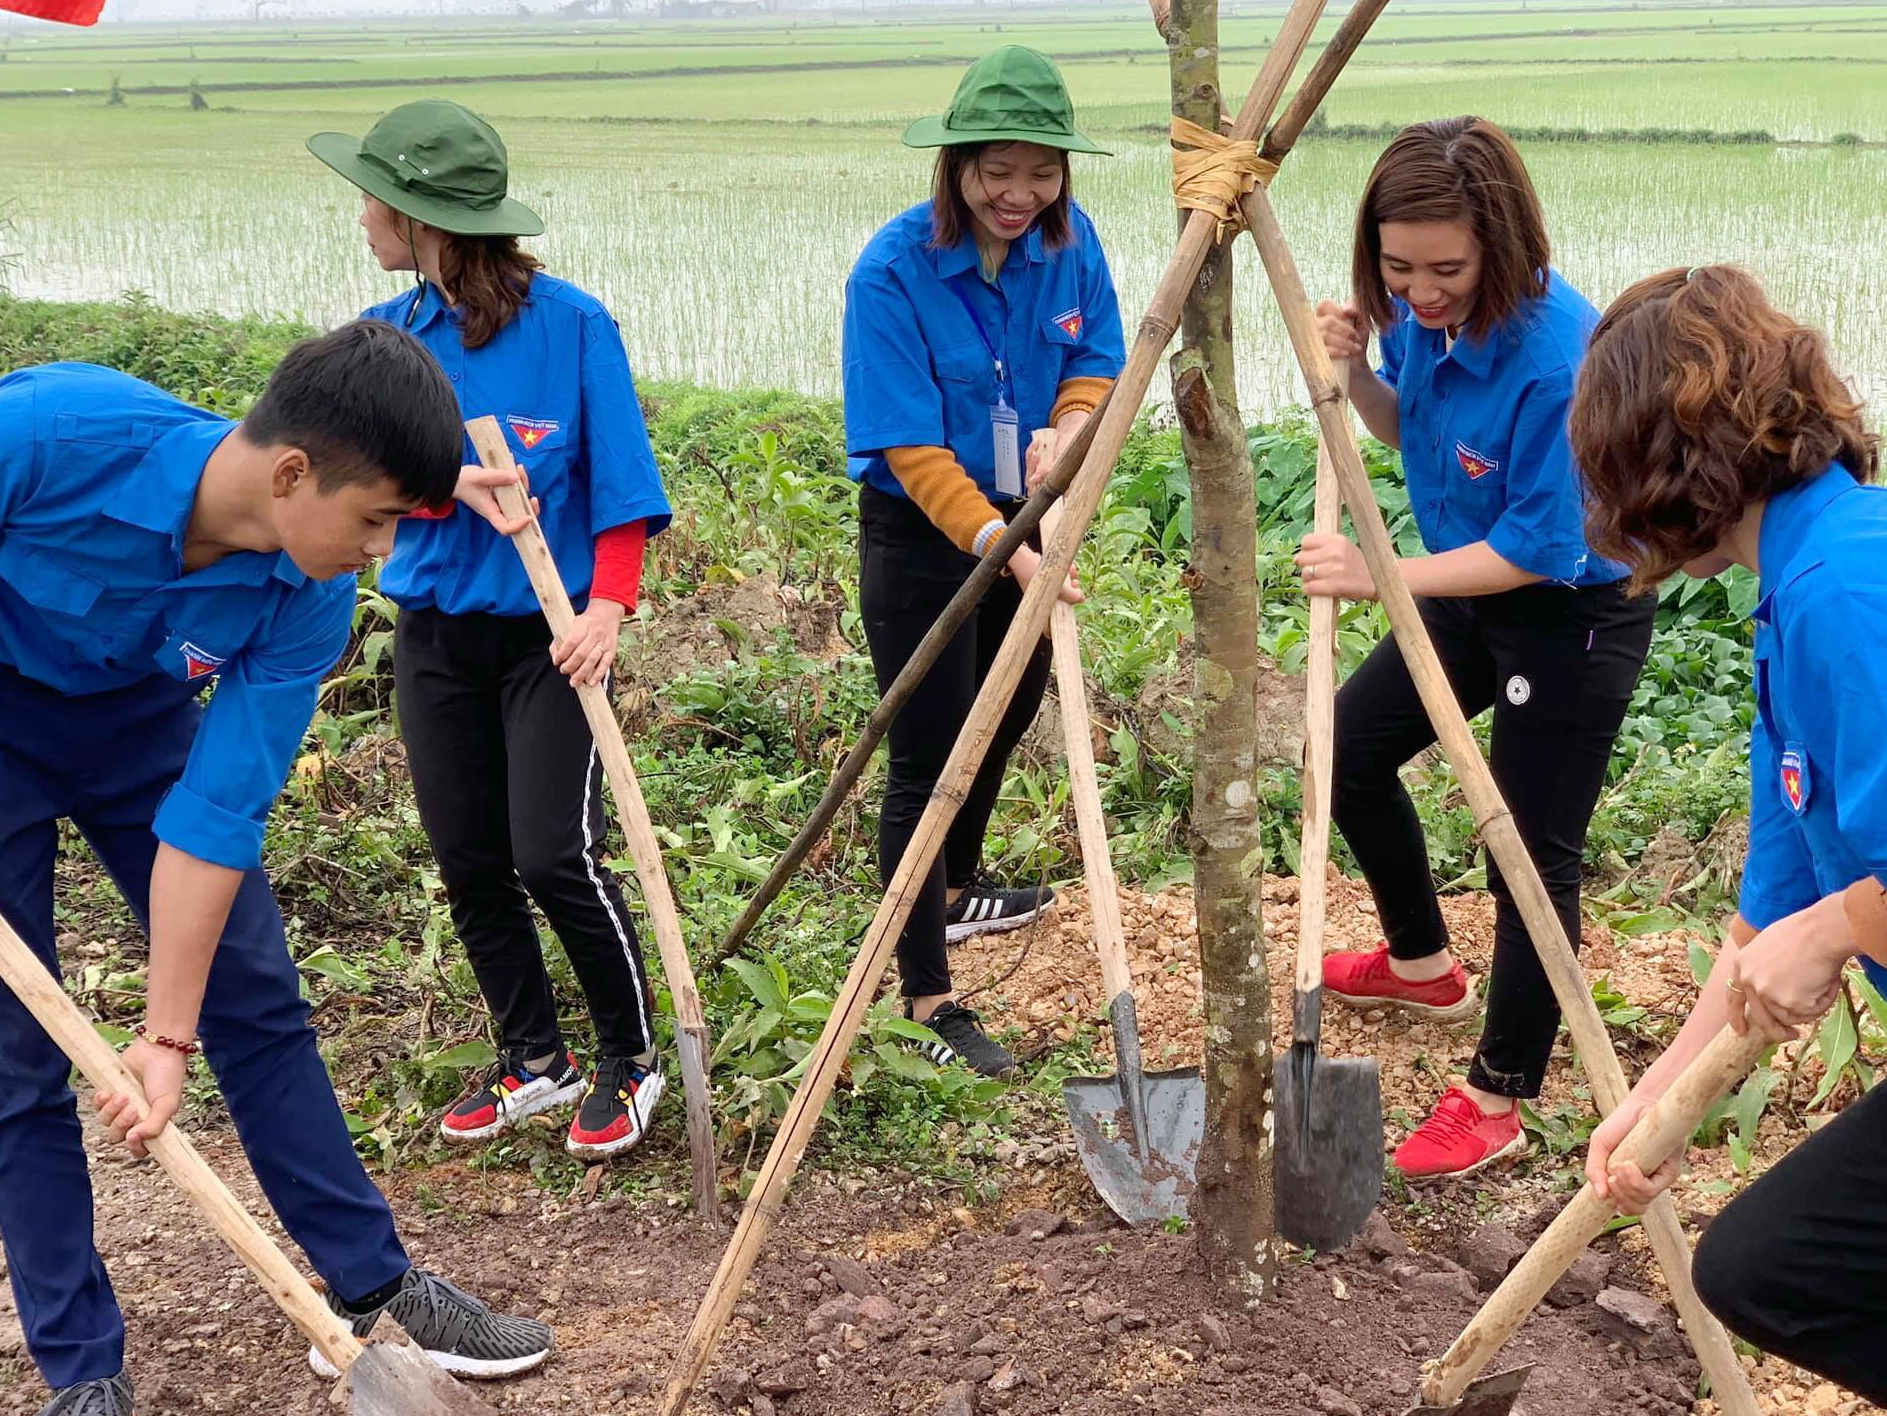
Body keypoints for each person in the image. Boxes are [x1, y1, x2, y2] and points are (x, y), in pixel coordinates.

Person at [0, 326, 556, 1416]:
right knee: (17, 1056)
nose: (380, 554)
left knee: (253, 996)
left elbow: (213, 820)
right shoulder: (48, 432)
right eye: (377, 519)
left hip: (138, 725)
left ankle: (375, 1288)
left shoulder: (308, 594)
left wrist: (165, 1039)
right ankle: (80, 1369)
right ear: (293, 473)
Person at [309, 99, 674, 1156]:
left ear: (423, 218)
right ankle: (535, 1061)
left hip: (548, 638)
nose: (362, 218)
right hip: (435, 636)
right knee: (469, 858)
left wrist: (606, 611)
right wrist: (446, 483)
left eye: (372, 199)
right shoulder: (391, 345)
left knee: (552, 853)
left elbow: (621, 492)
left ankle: (629, 1057)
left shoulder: (572, 328)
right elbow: (354, 482)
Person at [1298, 116, 1655, 1179]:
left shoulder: (1559, 361)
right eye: (1397, 269)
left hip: (1568, 613)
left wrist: (1378, 575)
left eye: (1446, 268)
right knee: (1343, 757)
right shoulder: (1422, 319)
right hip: (1460, 597)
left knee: (1528, 857)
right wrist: (1359, 370)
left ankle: (1501, 1090)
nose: (1422, 291)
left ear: (1503, 242)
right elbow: (1407, 425)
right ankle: (1420, 966)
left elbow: (1538, 550)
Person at [1573, 265, 1887, 1402]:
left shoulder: (1849, 588)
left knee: (1780, 1268)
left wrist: (1847, 922)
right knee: (1764, 1269)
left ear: (1667, 463)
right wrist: (1656, 1103)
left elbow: (1828, 910)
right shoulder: (1789, 595)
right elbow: (1771, 909)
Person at [841, 46, 1124, 1077]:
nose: (1019, 194)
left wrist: (1069, 426)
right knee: (927, 759)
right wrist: (1000, 544)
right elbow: (910, 448)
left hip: (1028, 511)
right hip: (925, 535)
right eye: (996, 171)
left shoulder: (1070, 240)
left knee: (1006, 710)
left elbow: (1096, 360)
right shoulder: (890, 272)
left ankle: (951, 895)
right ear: (956, 166)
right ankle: (924, 994)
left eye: (1041, 171)